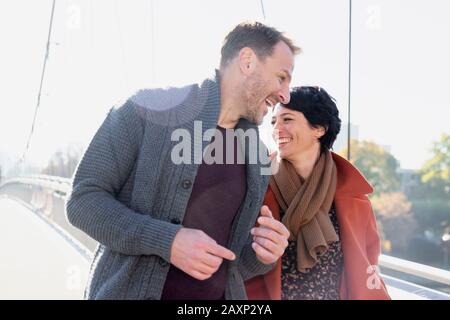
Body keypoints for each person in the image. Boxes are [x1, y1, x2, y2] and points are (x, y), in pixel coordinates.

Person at [65, 21, 299, 300]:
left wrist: (263, 253)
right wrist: (168, 240)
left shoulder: (259, 155)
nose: (285, 95)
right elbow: (83, 201)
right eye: (281, 77)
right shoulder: (145, 110)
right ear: (247, 61)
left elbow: (232, 263)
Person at [246, 86, 391, 300]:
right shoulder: (255, 184)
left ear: (319, 128)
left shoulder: (353, 197)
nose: (276, 129)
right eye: (274, 121)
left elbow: (368, 270)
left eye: (287, 119)